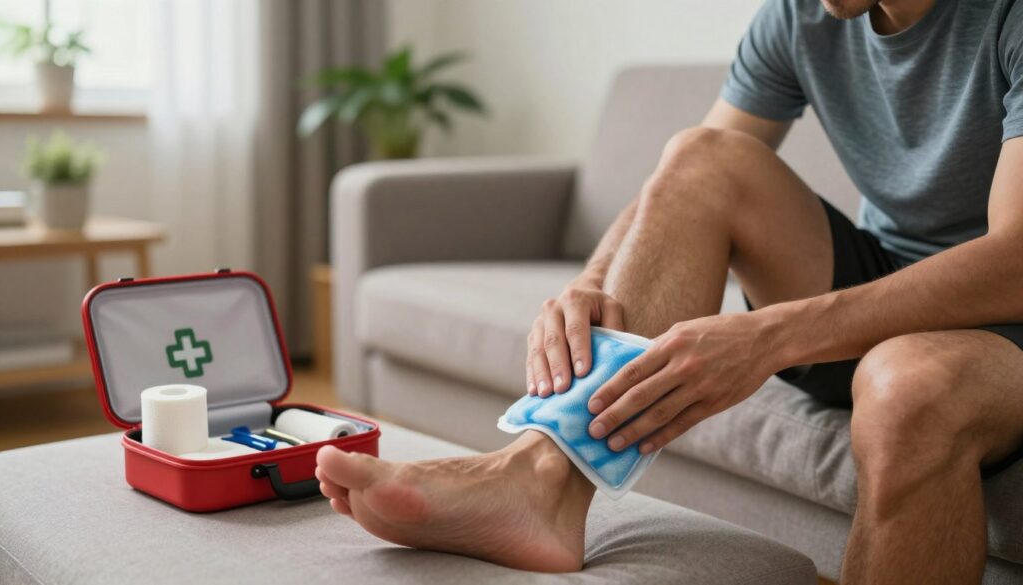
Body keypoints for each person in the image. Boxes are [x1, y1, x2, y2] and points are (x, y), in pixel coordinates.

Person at [316, 0, 1023, 581]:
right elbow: (688, 179)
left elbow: (1014, 261)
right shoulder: (805, 14)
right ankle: (542, 479)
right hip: (883, 284)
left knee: (907, 386)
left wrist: (771, 333)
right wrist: (589, 281)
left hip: (1000, 323)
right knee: (703, 156)